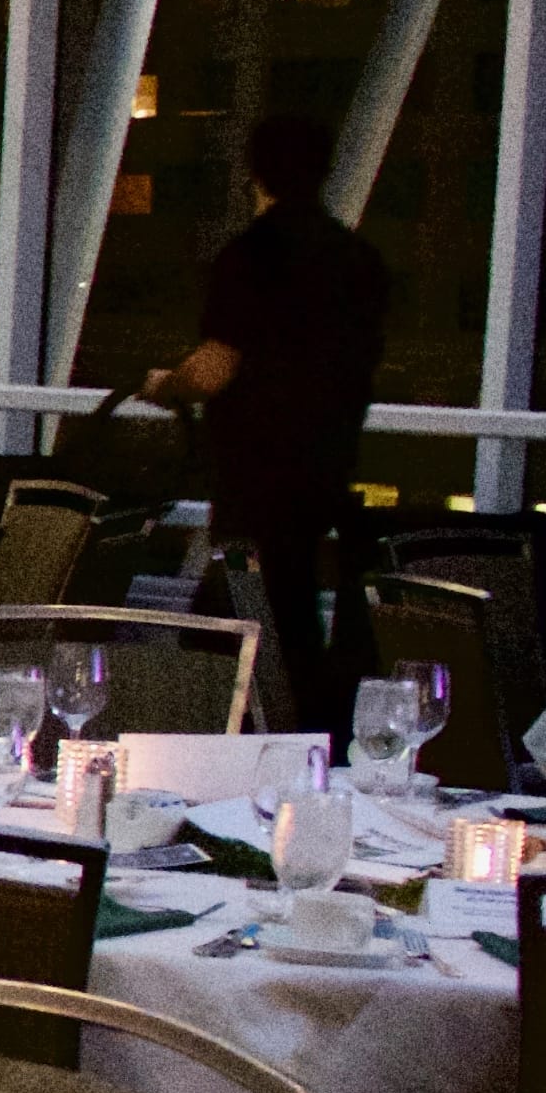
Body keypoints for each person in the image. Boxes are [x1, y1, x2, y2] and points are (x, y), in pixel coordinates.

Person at [144, 109, 386, 731]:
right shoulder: (356, 261)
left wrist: (168, 385)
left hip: (255, 475)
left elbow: (215, 367)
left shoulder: (251, 257)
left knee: (237, 616)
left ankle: (229, 732)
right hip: (323, 469)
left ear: (256, 173)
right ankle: (297, 729)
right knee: (293, 613)